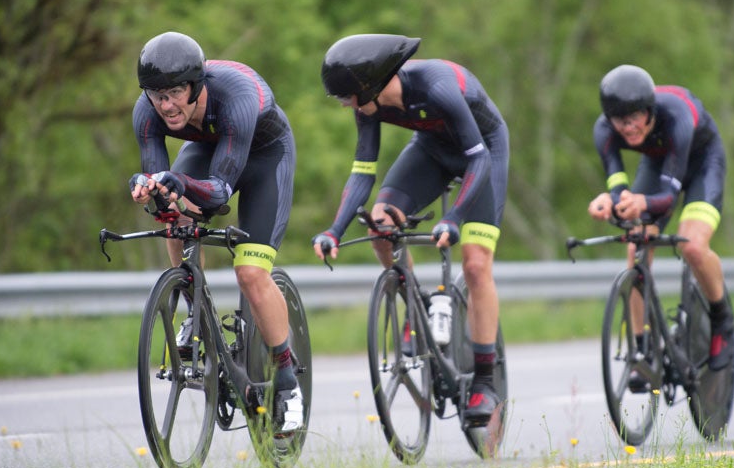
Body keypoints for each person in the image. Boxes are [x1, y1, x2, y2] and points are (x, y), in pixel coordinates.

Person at [312, 33, 510, 423]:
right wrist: (335, 229)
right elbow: (362, 172)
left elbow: (478, 158)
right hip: (431, 151)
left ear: (370, 86)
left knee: (474, 265)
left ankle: (485, 381)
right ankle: (416, 306)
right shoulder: (367, 106)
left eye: (348, 97)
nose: (347, 105)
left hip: (484, 152)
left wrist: (453, 218)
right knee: (380, 225)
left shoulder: (437, 86)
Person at [129, 31, 302, 432]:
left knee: (251, 273)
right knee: (173, 214)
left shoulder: (235, 96)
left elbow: (221, 190)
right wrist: (148, 187)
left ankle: (288, 380)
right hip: (208, 151)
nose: (166, 105)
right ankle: (195, 312)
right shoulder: (147, 111)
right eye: (157, 95)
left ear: (196, 85)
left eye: (175, 92)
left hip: (265, 158)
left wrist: (179, 183)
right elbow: (159, 183)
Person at [587, 65, 734, 386]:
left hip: (702, 164)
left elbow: (668, 197)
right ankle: (643, 350)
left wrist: (640, 202)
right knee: (636, 246)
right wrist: (609, 203)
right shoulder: (604, 130)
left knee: (692, 245)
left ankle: (722, 318)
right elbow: (619, 191)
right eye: (620, 120)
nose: (628, 127)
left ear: (650, 110)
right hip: (659, 165)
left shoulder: (677, 115)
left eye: (635, 117)